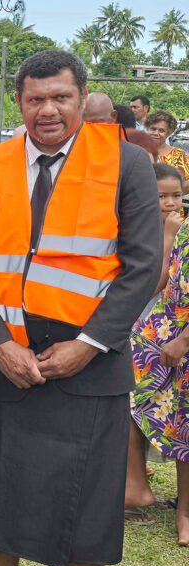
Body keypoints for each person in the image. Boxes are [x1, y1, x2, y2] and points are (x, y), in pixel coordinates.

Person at [0, 50, 161, 566]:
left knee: (86, 519)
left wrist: (87, 345)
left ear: (82, 99)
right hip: (7, 365)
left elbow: (141, 267)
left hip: (89, 368)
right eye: (35, 99)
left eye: (60, 97)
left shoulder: (128, 163)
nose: (47, 109)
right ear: (19, 102)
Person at [125, 163, 184, 528]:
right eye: (161, 196)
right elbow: (155, 282)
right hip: (148, 330)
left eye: (176, 195)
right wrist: (166, 237)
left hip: (170, 332)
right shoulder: (143, 228)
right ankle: (135, 485)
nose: (169, 202)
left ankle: (140, 486)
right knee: (134, 403)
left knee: (170, 413)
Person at [146, 110, 189, 185]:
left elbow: (187, 183)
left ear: (169, 132)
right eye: (153, 129)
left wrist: (167, 193)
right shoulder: (138, 152)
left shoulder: (178, 155)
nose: (156, 133)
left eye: (161, 130)